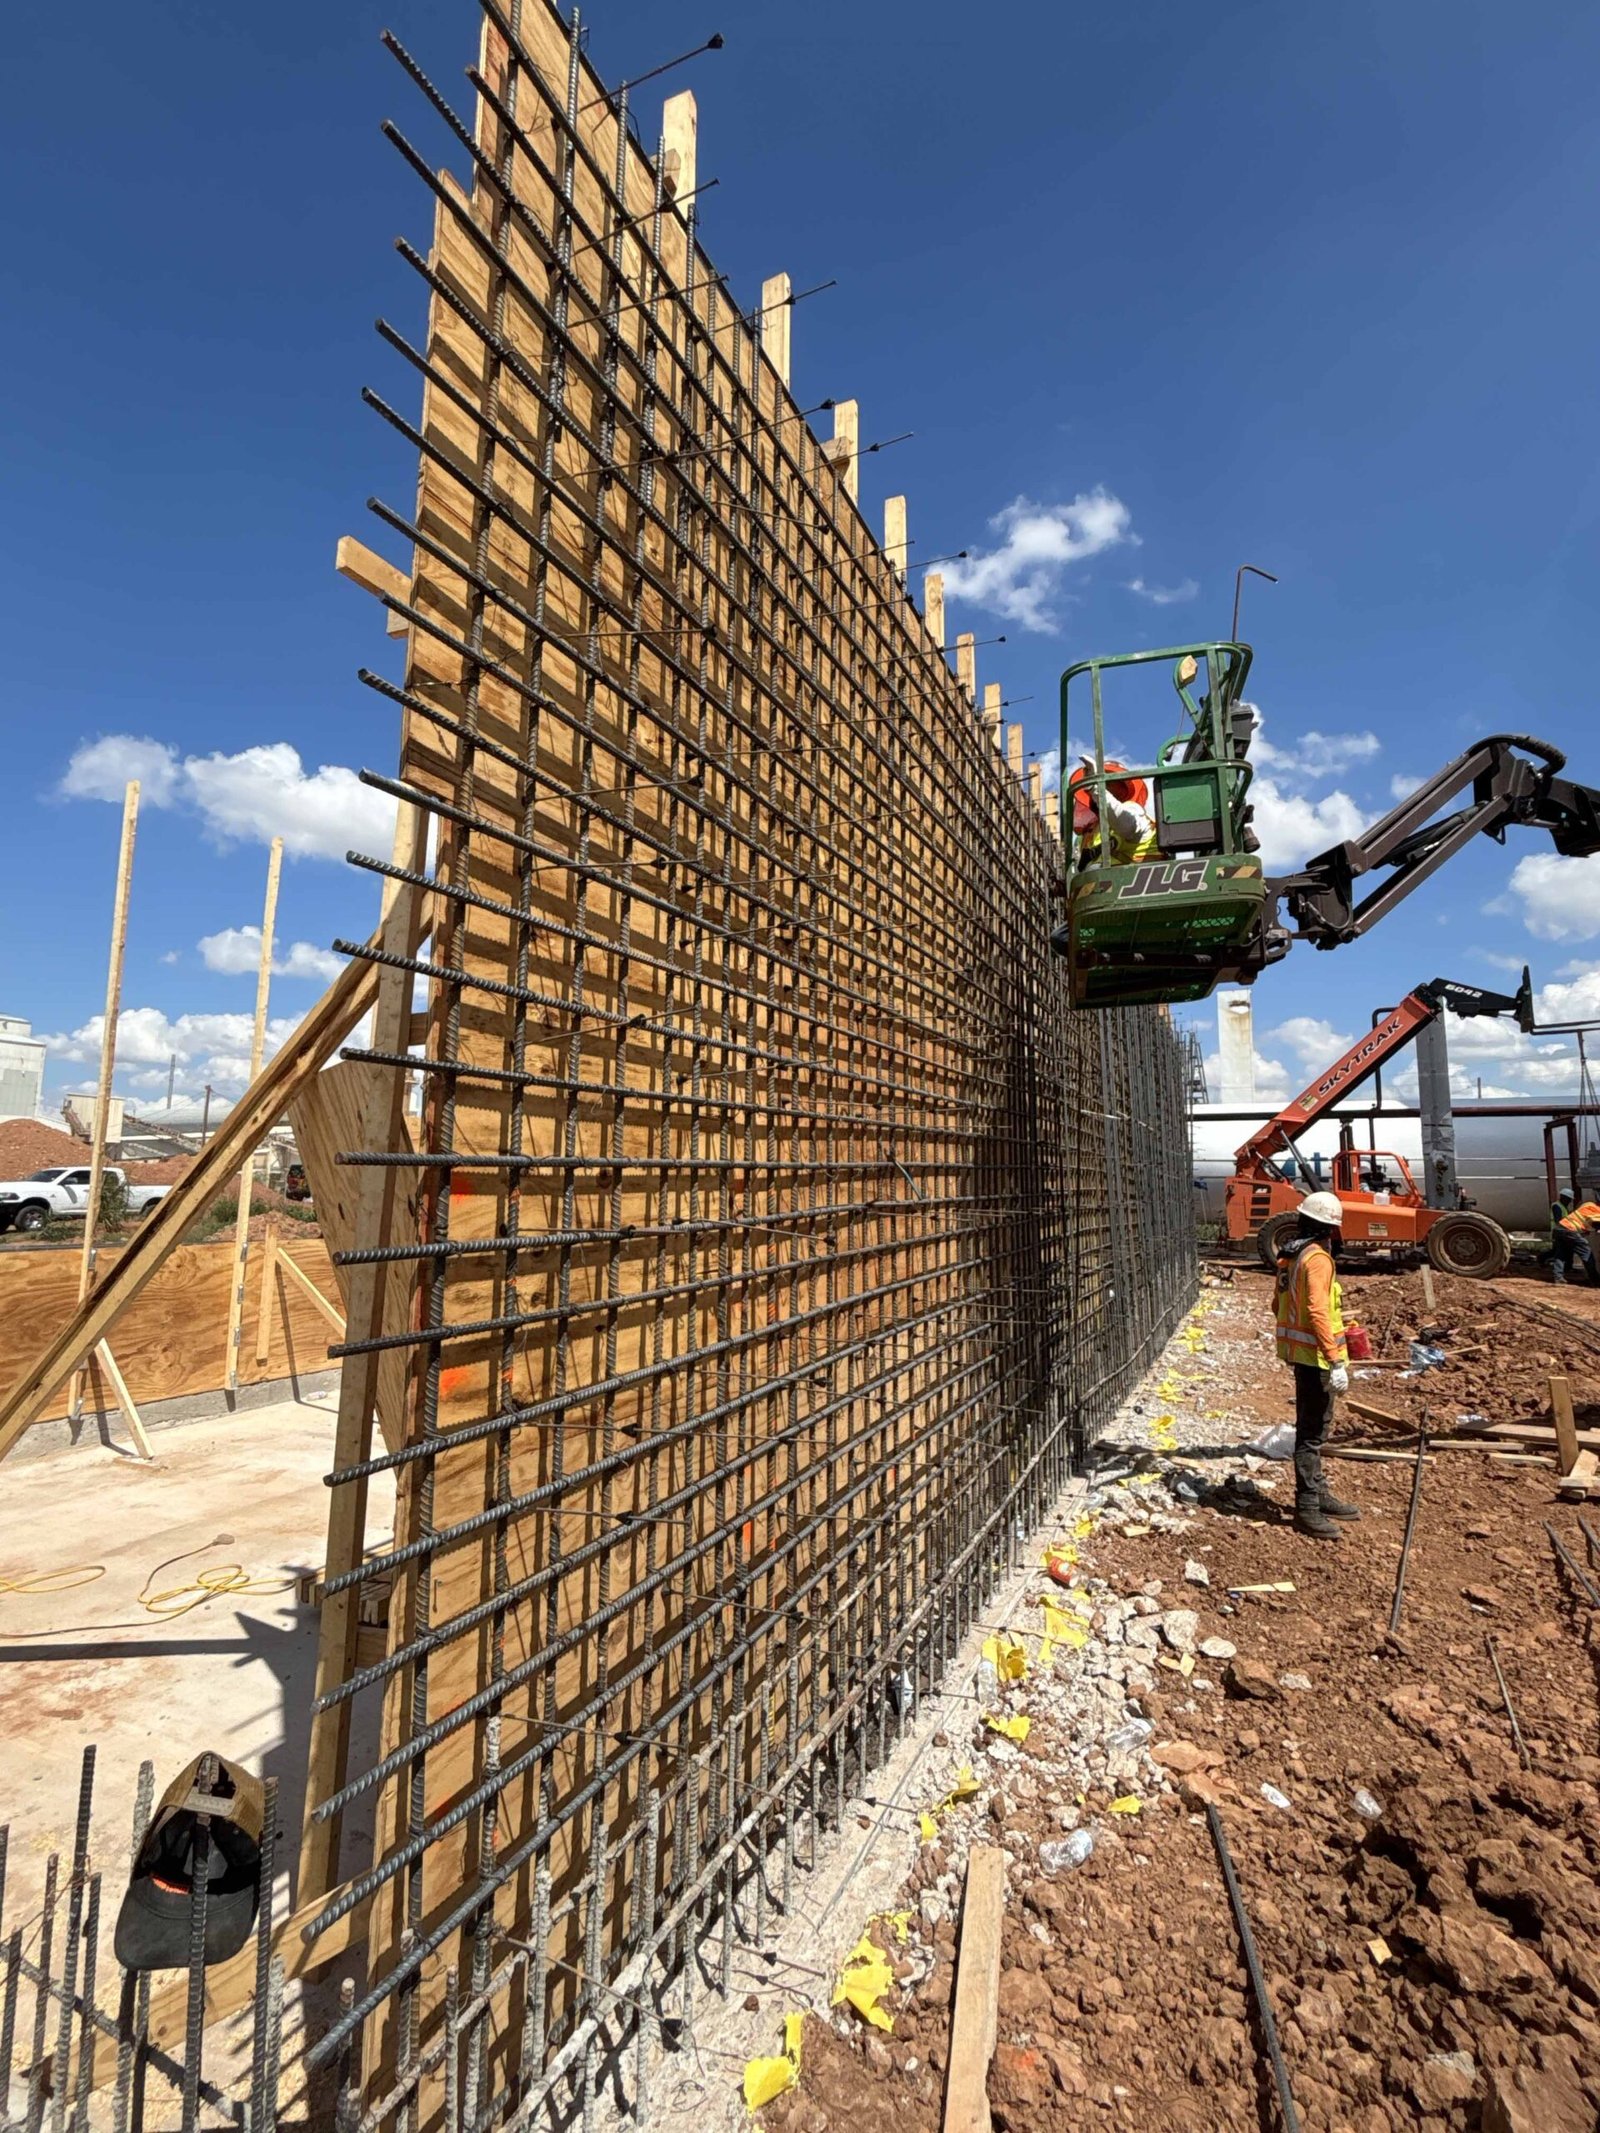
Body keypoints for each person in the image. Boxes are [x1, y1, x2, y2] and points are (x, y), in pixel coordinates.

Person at [1273, 1189, 1360, 1542]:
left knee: (1313, 1427)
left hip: (1300, 1353)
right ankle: (1307, 1505)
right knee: (1311, 1433)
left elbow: (1277, 1305)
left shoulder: (1290, 1255)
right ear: (1331, 1228)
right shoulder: (1318, 1259)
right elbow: (1318, 1311)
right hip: (1318, 1359)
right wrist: (1335, 1360)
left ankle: (1318, 1492)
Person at [1067, 757, 1158, 869]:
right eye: (1101, 784)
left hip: (1144, 876)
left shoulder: (1133, 810)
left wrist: (1095, 788)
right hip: (1103, 879)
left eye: (1108, 783)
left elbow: (1125, 824)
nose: (1103, 787)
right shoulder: (1090, 834)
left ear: (1123, 790)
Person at [1552, 1196, 1600, 1286]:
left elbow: (1584, 1219)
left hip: (1559, 1228)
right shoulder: (1597, 1210)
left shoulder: (1588, 1204)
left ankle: (1558, 1278)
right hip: (1570, 1230)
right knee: (1587, 1253)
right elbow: (1595, 1223)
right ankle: (1595, 1280)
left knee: (1561, 1254)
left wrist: (1586, 1229)